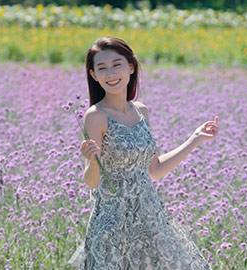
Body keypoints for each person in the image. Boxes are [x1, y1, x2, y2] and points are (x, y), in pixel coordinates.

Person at [67, 37, 219, 269]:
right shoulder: (95, 116)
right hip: (113, 221)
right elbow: (92, 182)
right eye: (102, 68)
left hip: (149, 216)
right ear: (93, 75)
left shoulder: (141, 111)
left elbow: (154, 170)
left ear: (130, 67)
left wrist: (195, 139)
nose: (110, 73)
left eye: (117, 64)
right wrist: (92, 161)